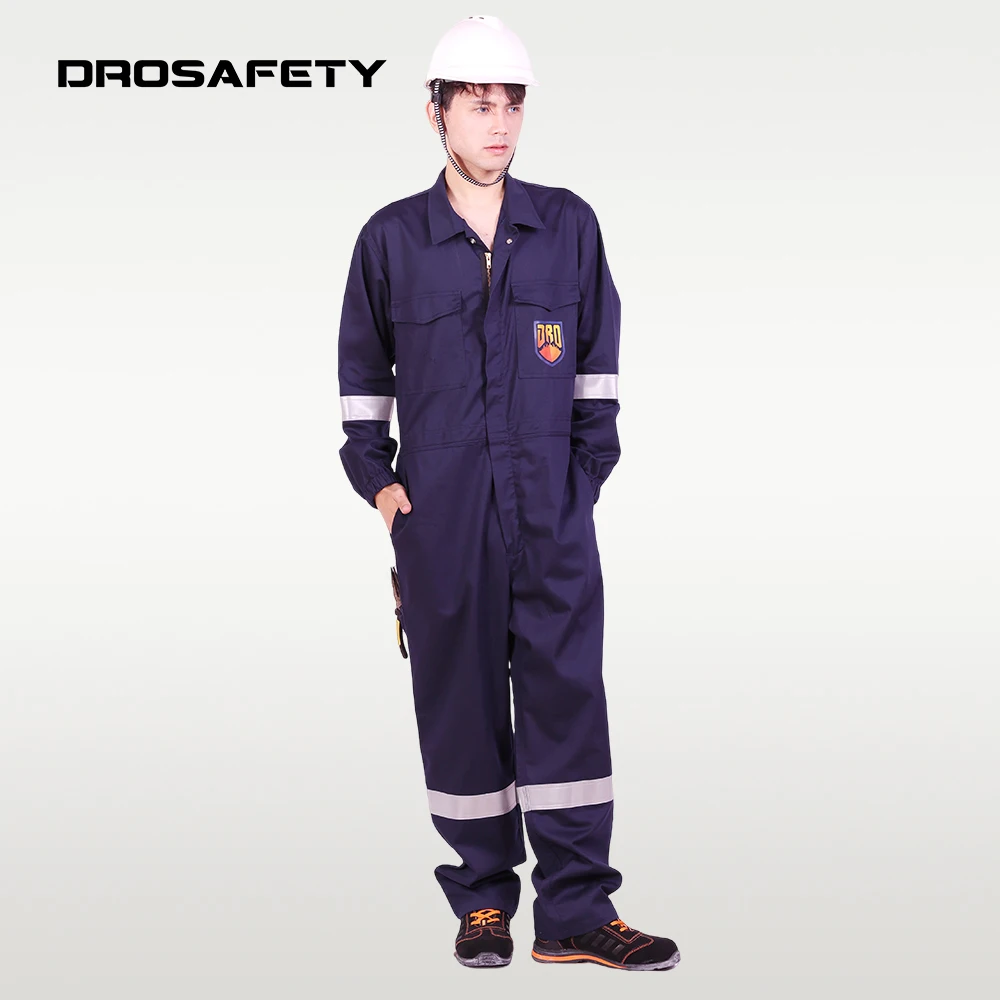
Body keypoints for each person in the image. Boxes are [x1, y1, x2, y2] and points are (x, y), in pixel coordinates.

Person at [337, 15, 680, 972]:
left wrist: (583, 478)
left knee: (568, 697)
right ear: (437, 114)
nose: (499, 123)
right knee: (460, 703)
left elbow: (598, 371)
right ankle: (483, 901)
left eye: (512, 105)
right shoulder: (392, 239)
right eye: (478, 105)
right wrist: (385, 490)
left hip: (551, 512)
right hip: (442, 520)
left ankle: (576, 913)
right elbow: (362, 386)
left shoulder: (567, 225)